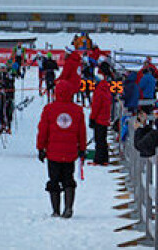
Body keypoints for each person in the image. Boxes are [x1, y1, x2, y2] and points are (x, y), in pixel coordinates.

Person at [36, 80, 86, 218]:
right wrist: (82, 148)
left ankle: (56, 210)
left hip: (53, 153)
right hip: (70, 153)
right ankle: (68, 207)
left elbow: (42, 130)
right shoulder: (77, 110)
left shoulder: (49, 109)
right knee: (68, 179)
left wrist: (40, 148)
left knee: (54, 180)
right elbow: (81, 132)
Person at [90, 60, 113, 166]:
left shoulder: (99, 90)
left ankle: (99, 159)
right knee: (102, 139)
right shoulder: (106, 89)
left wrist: (92, 118)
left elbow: (96, 106)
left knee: (99, 140)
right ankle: (104, 158)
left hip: (99, 118)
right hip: (105, 117)